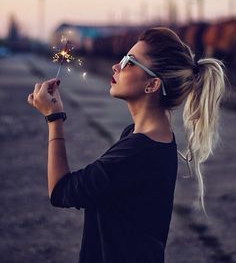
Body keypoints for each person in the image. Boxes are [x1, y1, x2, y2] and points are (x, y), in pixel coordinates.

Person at [27, 27, 226, 263]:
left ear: (152, 85)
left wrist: (54, 119)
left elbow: (61, 192)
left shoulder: (138, 152)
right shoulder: (148, 137)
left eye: (129, 62)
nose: (116, 66)